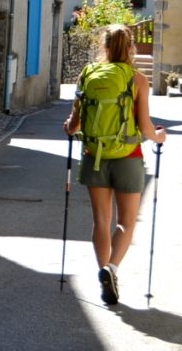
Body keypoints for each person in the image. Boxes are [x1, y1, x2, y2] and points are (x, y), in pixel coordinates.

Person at [62, 24, 166, 305]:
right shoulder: (138, 80)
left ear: (104, 47)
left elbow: (74, 126)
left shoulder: (87, 75)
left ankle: (102, 270)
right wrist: (160, 136)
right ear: (130, 47)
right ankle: (112, 269)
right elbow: (145, 128)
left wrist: (69, 128)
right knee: (126, 223)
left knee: (101, 221)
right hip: (128, 159)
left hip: (94, 156)